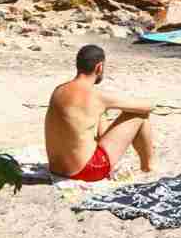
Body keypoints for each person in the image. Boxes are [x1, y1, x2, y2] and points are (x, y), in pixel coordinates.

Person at [44, 45, 155, 181]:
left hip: (56, 169)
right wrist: (118, 106)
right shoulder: (97, 96)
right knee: (140, 115)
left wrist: (106, 108)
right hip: (87, 171)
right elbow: (148, 107)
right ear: (99, 67)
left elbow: (102, 134)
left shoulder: (58, 90)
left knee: (101, 113)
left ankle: (147, 166)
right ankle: (148, 166)